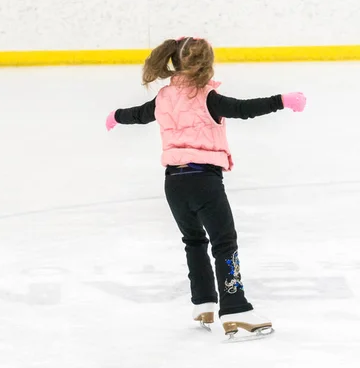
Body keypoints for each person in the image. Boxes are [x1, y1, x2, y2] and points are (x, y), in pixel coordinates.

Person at [105, 37, 306, 338]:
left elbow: (138, 115)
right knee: (224, 242)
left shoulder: (163, 98)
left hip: (174, 183)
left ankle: (203, 302)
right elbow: (243, 108)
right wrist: (283, 100)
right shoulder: (208, 96)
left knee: (194, 240)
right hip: (204, 181)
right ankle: (235, 307)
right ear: (207, 63)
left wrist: (115, 116)